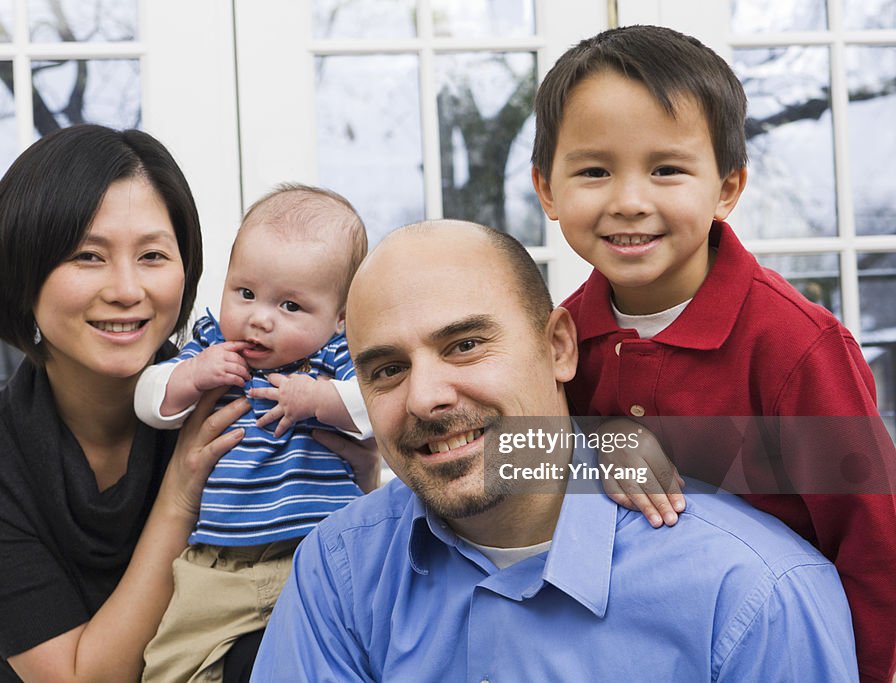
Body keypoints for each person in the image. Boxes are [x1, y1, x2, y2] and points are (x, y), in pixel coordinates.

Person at [250, 220, 858, 681]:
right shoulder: (339, 569)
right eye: (386, 370)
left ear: (560, 348)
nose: (424, 399)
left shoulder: (754, 593)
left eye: (464, 345)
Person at [0, 125, 372, 682]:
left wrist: (361, 475)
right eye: (88, 256)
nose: (126, 289)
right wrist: (181, 494)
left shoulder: (241, 385)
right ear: (23, 271)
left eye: (154, 255)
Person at [529, 25, 896, 683]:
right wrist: (597, 440)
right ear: (547, 189)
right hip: (623, 648)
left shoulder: (796, 347)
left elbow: (875, 543)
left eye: (666, 169)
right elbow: (509, 454)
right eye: (594, 170)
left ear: (727, 188)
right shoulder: (559, 337)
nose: (630, 201)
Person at [135, 184, 376, 682]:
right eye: (244, 293)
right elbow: (149, 401)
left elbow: (377, 408)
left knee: (340, 658)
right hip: (219, 565)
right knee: (169, 665)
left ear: (339, 318)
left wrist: (318, 399)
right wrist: (193, 375)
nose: (259, 319)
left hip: (318, 555)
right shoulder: (212, 344)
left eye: (290, 306)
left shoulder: (335, 357)